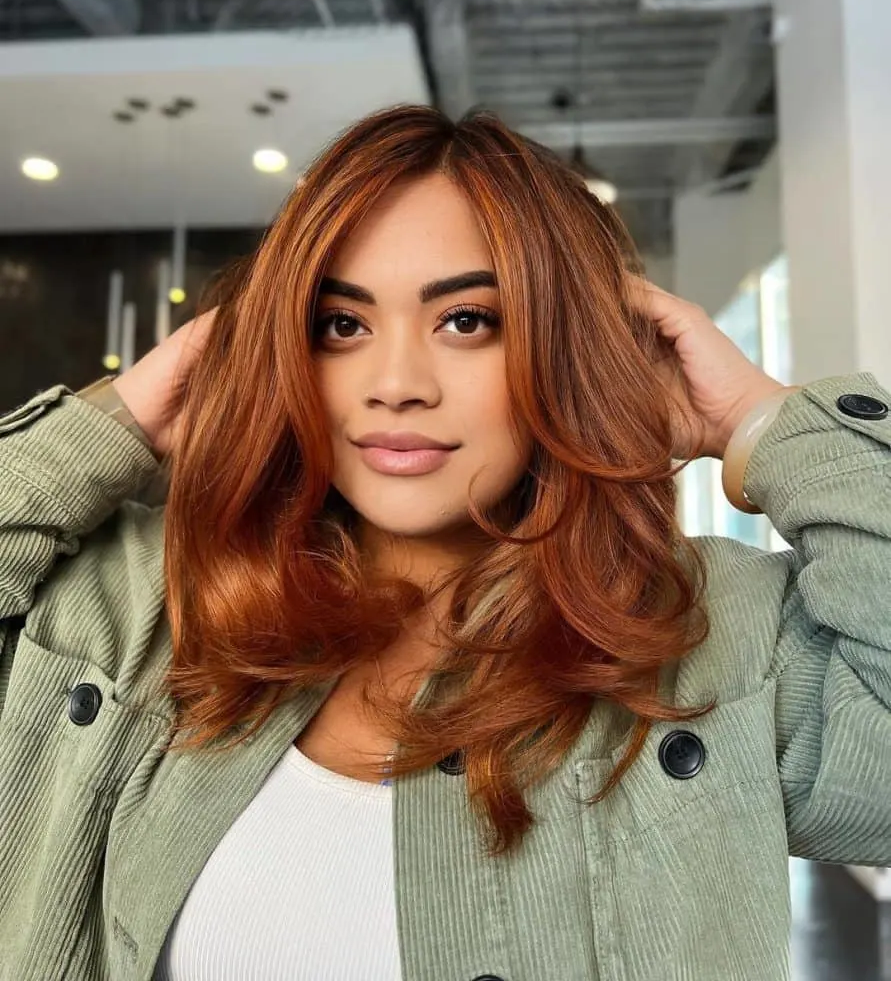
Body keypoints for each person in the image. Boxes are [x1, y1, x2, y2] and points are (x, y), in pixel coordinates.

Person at [0, 104, 888, 981]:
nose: (395, 385)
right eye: (340, 325)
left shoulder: (710, 641)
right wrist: (111, 423)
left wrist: (758, 419)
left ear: (560, 344)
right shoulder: (140, 606)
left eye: (466, 320)